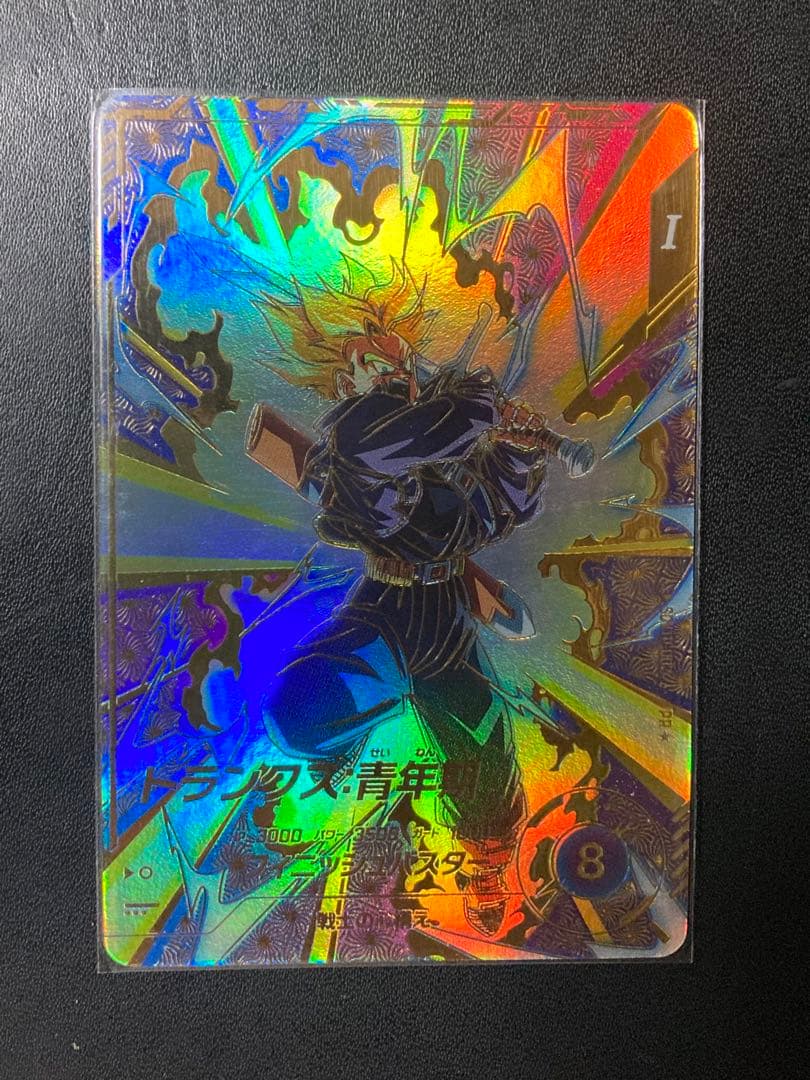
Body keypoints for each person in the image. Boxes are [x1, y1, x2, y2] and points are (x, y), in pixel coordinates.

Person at [258, 269, 549, 935]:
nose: (390, 365)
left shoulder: (442, 449)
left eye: (394, 353)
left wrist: (516, 452)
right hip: (384, 611)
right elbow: (395, 456)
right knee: (297, 712)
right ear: (348, 379)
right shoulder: (357, 439)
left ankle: (488, 861)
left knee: (485, 751)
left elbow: (491, 514)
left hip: (446, 617)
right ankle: (371, 722)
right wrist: (479, 407)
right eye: (369, 358)